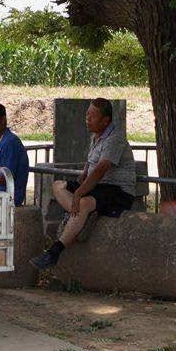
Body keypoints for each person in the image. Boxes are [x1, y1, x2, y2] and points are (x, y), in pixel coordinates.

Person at [32, 96, 137, 271]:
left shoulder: (115, 138)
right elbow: (89, 168)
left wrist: (80, 192)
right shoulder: (95, 137)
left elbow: (102, 168)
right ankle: (82, 215)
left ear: (105, 121)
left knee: (83, 202)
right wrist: (79, 183)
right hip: (98, 187)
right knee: (58, 185)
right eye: (87, 115)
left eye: (92, 116)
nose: (87, 119)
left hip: (117, 190)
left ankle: (54, 253)